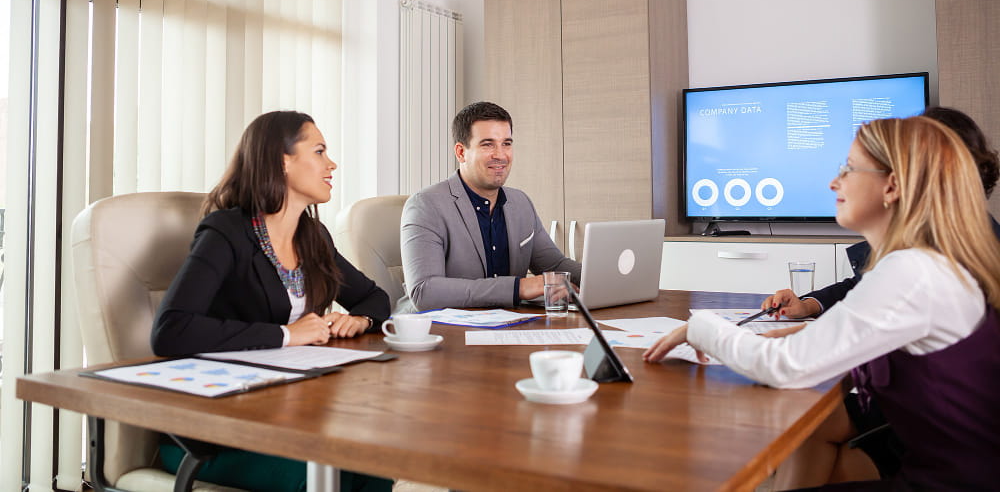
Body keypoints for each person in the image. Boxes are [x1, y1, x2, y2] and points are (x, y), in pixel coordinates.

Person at [643, 116, 1000, 490]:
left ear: (891, 185)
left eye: (848, 168)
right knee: (810, 435)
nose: (834, 182)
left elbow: (786, 367)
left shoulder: (913, 272)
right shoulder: (931, 262)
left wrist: (700, 327)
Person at [152, 111, 392, 492]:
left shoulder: (313, 236)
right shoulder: (226, 233)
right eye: (319, 151)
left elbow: (375, 297)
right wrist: (286, 335)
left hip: (287, 415)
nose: (332, 164)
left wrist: (360, 319)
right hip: (210, 434)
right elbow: (171, 330)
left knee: (373, 464)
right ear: (283, 162)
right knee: (321, 478)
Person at [759, 106, 1000, 480]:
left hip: (928, 414)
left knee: (807, 427)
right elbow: (865, 292)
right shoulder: (922, 237)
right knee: (806, 428)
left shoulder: (955, 251)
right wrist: (810, 306)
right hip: (905, 394)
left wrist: (709, 332)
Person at [399, 101, 581, 312]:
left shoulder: (520, 203)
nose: (501, 155)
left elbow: (555, 266)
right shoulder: (425, 206)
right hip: (438, 332)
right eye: (488, 144)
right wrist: (518, 288)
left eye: (507, 143)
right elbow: (424, 291)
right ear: (461, 152)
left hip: (509, 326)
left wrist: (607, 276)